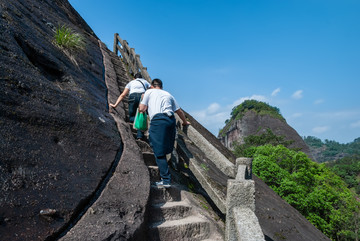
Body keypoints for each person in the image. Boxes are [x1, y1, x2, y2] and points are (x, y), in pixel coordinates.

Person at [139, 78, 190, 188]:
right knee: (167, 146)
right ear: (161, 86)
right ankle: (166, 172)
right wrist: (185, 122)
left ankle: (166, 180)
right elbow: (179, 111)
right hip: (170, 120)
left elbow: (141, 109)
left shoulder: (148, 92)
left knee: (158, 151)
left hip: (158, 121)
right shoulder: (168, 94)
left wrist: (143, 100)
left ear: (152, 85)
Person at [109, 73, 150, 139]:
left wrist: (115, 105)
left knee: (132, 116)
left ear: (134, 78)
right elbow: (152, 90)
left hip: (132, 97)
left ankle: (133, 124)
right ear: (142, 78)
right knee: (141, 116)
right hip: (143, 97)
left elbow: (123, 95)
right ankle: (140, 135)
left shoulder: (131, 82)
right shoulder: (145, 82)